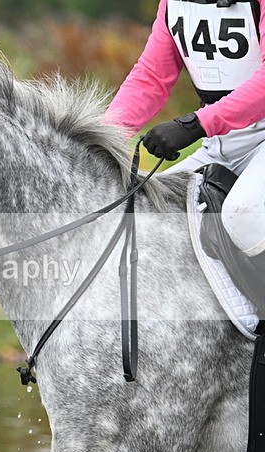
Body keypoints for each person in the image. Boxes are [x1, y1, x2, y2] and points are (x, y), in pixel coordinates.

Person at [107, 0, 265, 268]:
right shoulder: (172, 4)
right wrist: (104, 137)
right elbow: (152, 76)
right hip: (222, 143)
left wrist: (194, 125)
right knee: (148, 216)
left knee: (244, 215)